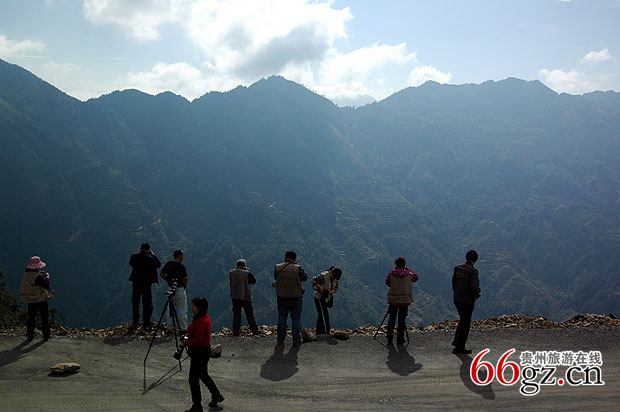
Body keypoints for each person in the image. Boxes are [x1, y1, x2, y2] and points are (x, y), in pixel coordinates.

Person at [183, 296, 224, 411]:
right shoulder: (205, 318)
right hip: (204, 351)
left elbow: (198, 340)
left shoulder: (201, 321)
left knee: (193, 379)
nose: (192, 308)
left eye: (193, 306)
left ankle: (197, 406)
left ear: (199, 308)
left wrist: (186, 341)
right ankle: (216, 395)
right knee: (203, 375)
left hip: (199, 353)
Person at [273, 251, 307, 346]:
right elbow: (305, 277)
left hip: (281, 297)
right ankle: (296, 340)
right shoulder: (297, 268)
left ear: (285, 257)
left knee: (282, 318)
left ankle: (280, 340)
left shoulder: (278, 267)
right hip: (295, 297)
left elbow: (276, 277)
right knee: (296, 319)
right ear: (294, 259)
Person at [451, 249, 481, 354]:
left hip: (457, 298)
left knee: (462, 321)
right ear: (475, 260)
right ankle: (460, 347)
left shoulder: (457, 268)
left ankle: (456, 343)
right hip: (467, 301)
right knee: (465, 324)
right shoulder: (473, 271)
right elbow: (475, 287)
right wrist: (477, 292)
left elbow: (453, 282)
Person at [385, 257, 419, 345]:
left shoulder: (392, 273)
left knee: (392, 318)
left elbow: (387, 283)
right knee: (402, 319)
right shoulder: (409, 273)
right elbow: (416, 277)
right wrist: (407, 269)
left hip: (393, 299)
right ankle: (400, 338)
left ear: (396, 264)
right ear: (404, 264)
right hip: (405, 299)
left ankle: (389, 336)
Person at [19, 256, 54, 341]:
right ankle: (46, 335)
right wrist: (47, 277)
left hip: (31, 299)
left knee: (31, 317)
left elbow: (33, 282)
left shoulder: (26, 275)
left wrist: (39, 274)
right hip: (41, 299)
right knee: (44, 317)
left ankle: (30, 335)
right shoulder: (38, 277)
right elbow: (46, 285)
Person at [129, 242, 161, 328]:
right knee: (147, 303)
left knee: (135, 302)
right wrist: (153, 255)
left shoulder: (134, 257)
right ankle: (146, 322)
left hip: (136, 282)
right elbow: (158, 264)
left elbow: (131, 263)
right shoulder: (150, 259)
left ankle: (135, 321)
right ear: (148, 250)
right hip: (146, 283)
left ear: (141, 248)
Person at [160, 249, 189, 332]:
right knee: (182, 309)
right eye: (182, 255)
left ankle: (170, 327)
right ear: (179, 256)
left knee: (170, 308)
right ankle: (183, 328)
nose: (183, 257)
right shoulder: (181, 266)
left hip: (170, 287)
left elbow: (161, 274)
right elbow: (186, 278)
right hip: (179, 288)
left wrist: (168, 280)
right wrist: (185, 284)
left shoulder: (168, 264)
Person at [229, 259, 259, 336]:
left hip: (235, 297)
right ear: (244, 265)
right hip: (245, 297)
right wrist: (248, 271)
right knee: (250, 316)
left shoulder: (231, 273)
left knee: (236, 316)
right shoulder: (246, 273)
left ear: (237, 265)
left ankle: (236, 332)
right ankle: (255, 332)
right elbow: (253, 281)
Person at [311, 266, 342, 335]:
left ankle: (319, 333)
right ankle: (326, 333)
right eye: (334, 277)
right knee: (325, 316)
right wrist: (320, 287)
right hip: (319, 298)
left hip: (327, 298)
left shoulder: (336, 278)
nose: (335, 279)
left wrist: (330, 292)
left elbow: (336, 288)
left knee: (321, 315)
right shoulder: (323, 276)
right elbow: (312, 280)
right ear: (332, 274)